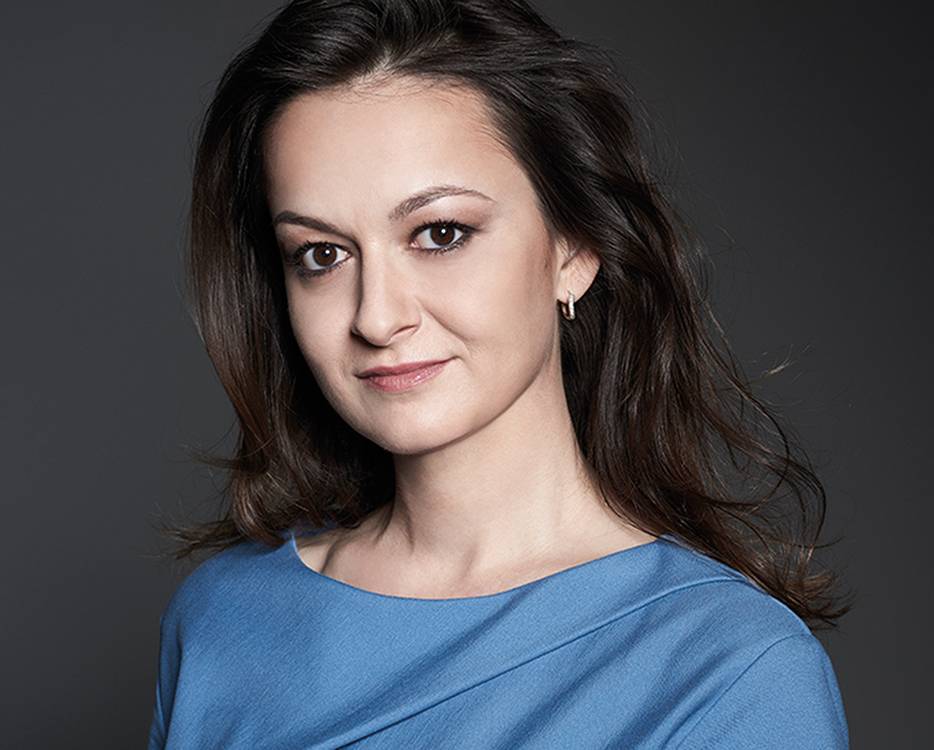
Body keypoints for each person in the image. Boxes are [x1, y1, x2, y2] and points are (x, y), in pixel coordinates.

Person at [150, 0, 849, 747]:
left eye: (440, 233)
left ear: (574, 249)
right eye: (322, 255)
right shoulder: (222, 620)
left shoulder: (730, 670)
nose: (377, 317)